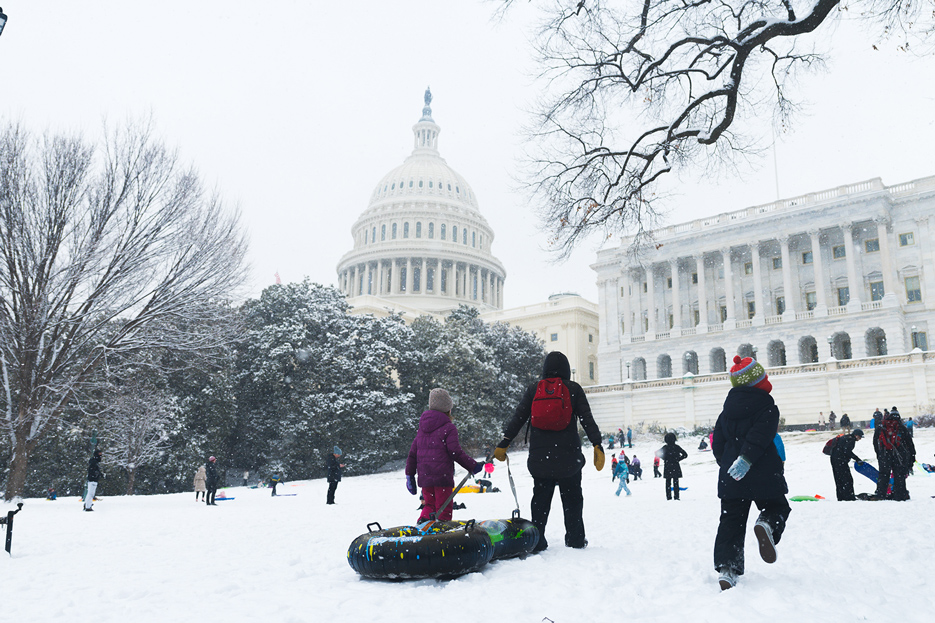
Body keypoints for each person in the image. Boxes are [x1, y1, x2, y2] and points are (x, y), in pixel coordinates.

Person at [493, 351, 604, 551]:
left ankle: (536, 539)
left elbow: (518, 417)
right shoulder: (573, 389)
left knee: (540, 500)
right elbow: (587, 418)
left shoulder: (534, 390)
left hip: (540, 457)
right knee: (572, 500)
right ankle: (575, 538)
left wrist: (505, 442)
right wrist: (597, 443)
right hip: (569, 457)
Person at [712, 356, 790, 591]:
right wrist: (745, 460)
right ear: (758, 381)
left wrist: (726, 464)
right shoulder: (767, 407)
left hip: (731, 477)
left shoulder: (726, 412)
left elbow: (718, 442)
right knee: (777, 507)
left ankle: (727, 568)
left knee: (731, 521)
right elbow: (761, 437)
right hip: (762, 472)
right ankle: (766, 523)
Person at [405, 388, 482, 521]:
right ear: (448, 409)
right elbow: (455, 452)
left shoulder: (422, 429)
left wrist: (410, 475)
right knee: (444, 508)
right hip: (442, 477)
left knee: (429, 505)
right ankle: (442, 534)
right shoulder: (448, 427)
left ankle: (423, 527)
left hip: (425, 477)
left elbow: (413, 453)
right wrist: (473, 466)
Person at [875, 407, 915, 500]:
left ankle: (881, 494)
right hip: (899, 454)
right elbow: (909, 443)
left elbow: (875, 441)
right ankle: (899, 495)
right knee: (899, 475)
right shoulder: (901, 427)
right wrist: (911, 456)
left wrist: (879, 454)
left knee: (883, 474)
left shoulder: (881, 426)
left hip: (884, 454)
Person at [829, 429, 864, 501]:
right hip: (840, 461)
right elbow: (847, 451)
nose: (860, 439)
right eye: (860, 437)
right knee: (848, 479)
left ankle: (841, 497)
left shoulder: (846, 437)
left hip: (834, 459)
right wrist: (857, 459)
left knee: (838, 479)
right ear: (856, 435)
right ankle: (849, 497)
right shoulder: (851, 440)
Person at [656, 433, 687, 500]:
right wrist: (678, 459)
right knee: (676, 482)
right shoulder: (677, 447)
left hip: (667, 465)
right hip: (676, 465)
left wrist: (664, 458)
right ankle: (676, 496)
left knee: (668, 482)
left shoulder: (665, 447)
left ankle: (668, 497)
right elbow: (685, 455)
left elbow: (657, 453)